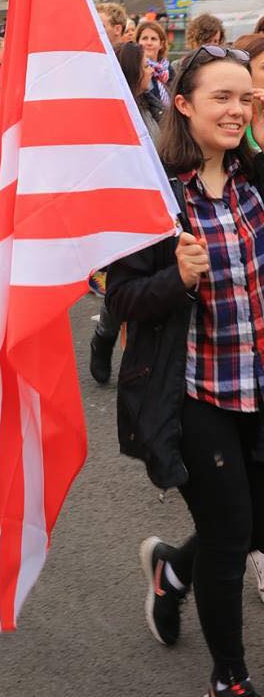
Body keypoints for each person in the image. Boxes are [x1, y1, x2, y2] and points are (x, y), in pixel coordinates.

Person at [106, 44, 264, 697]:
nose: (237, 110)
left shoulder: (257, 182)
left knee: (255, 525)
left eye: (246, 98)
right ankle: (229, 679)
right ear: (184, 104)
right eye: (222, 97)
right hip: (194, 396)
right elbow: (118, 300)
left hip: (257, 386)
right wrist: (176, 278)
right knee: (231, 542)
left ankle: (171, 573)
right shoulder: (157, 200)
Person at [89, 41, 164, 384]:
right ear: (131, 70)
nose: (152, 69)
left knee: (153, 286)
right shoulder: (113, 115)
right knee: (124, 288)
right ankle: (104, 339)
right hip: (125, 214)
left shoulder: (155, 106)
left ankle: (144, 361)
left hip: (161, 210)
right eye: (146, 65)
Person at [136, 19, 172, 105]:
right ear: (137, 42)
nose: (149, 43)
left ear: (161, 44)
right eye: (144, 38)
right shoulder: (136, 70)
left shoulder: (170, 70)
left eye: (153, 39)